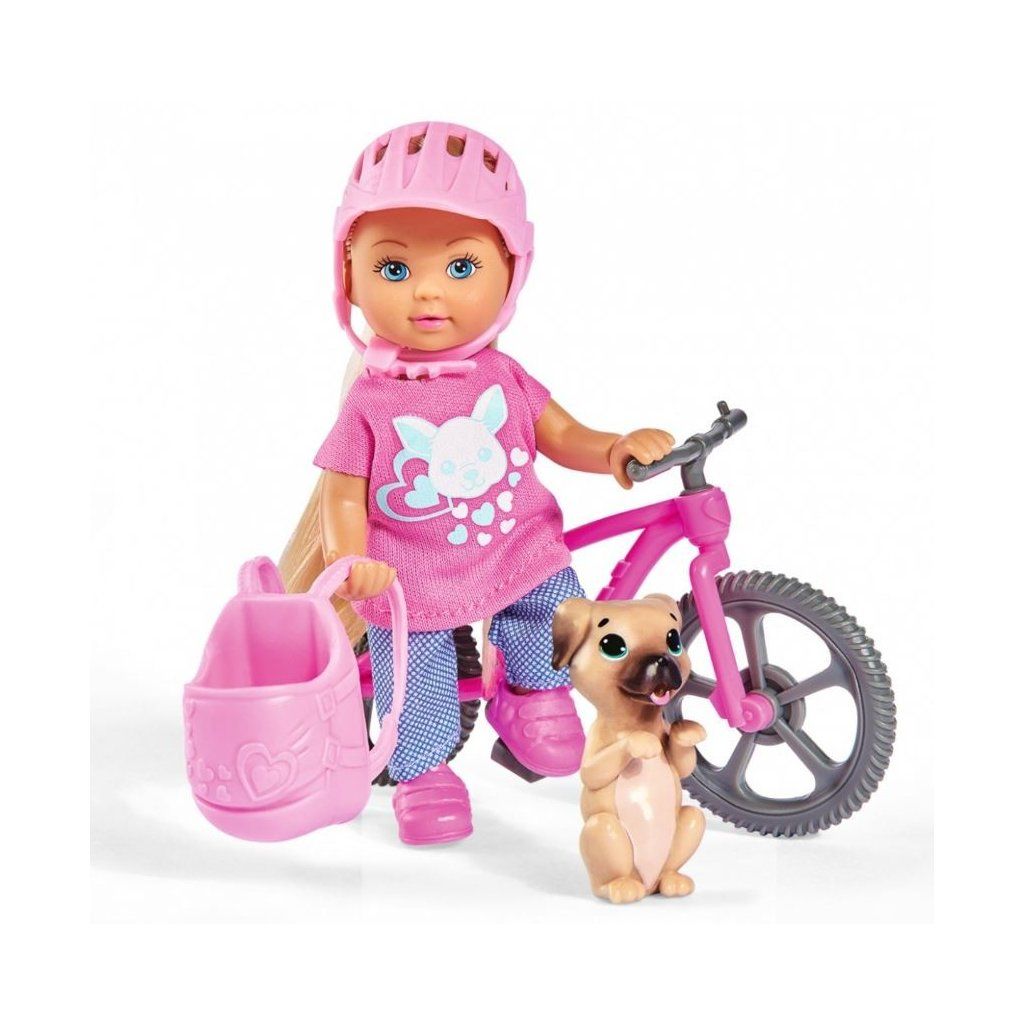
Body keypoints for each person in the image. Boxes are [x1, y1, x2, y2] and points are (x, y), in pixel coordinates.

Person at [280, 122, 675, 845]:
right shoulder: (370, 400)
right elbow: (342, 491)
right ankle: (423, 772)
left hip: (517, 548)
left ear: (510, 274)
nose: (428, 290)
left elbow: (561, 434)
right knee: (416, 673)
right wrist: (350, 557)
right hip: (411, 574)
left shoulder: (503, 375)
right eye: (393, 268)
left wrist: (613, 448)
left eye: (462, 267)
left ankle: (532, 694)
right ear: (349, 276)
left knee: (553, 606)